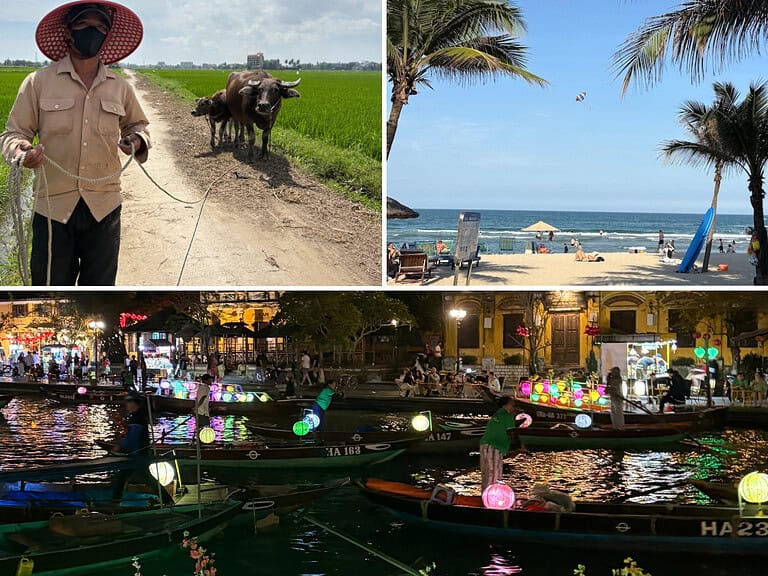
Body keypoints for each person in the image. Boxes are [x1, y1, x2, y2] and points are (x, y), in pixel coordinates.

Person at [0, 2, 150, 286]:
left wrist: (137, 141)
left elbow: (138, 126)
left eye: (100, 26)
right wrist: (21, 152)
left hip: (104, 207)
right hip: (53, 208)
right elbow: (12, 134)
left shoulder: (119, 87)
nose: (91, 31)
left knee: (101, 290)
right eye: (83, 24)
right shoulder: (38, 82)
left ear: (107, 35)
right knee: (49, 288)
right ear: (68, 32)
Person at [479, 396, 525, 493]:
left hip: (485, 445)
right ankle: (491, 498)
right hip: (495, 447)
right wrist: (520, 447)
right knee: (494, 475)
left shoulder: (498, 414)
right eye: (512, 405)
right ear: (507, 405)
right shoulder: (507, 416)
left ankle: (485, 495)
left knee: (486, 475)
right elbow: (512, 433)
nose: (514, 407)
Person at [110, 392, 151, 501]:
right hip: (140, 452)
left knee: (121, 477)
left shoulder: (137, 418)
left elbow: (132, 438)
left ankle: (115, 502)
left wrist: (119, 447)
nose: (127, 406)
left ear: (133, 403)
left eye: (128, 403)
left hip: (137, 454)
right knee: (146, 478)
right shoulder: (139, 416)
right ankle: (166, 499)